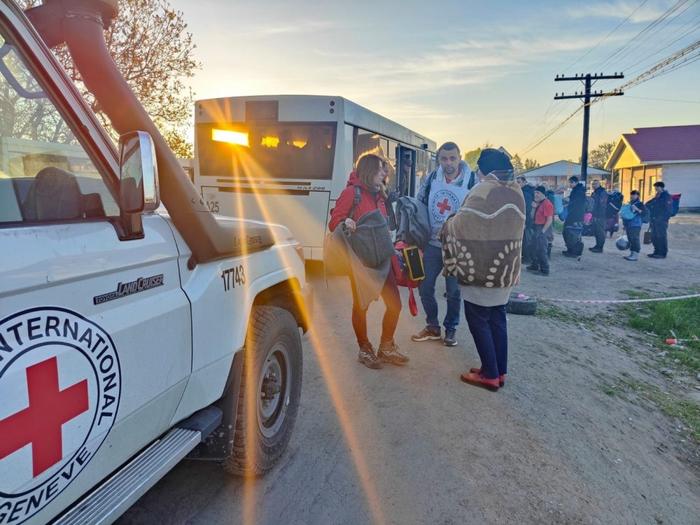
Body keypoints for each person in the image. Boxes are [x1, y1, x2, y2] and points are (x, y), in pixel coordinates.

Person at [440, 148, 525, 391]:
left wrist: (448, 223)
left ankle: (489, 374)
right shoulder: (516, 190)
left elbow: (460, 225)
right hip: (506, 267)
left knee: (478, 319)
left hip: (482, 268)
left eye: (479, 168)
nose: (477, 173)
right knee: (498, 319)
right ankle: (498, 370)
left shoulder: (484, 190)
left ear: (485, 170)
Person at [328, 153, 409, 369]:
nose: (385, 172)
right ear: (369, 170)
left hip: (384, 258)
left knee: (395, 305)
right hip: (362, 261)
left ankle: (386, 347)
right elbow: (334, 220)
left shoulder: (380, 195)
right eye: (381, 169)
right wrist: (345, 221)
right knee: (361, 306)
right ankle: (364, 349)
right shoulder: (351, 193)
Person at [412, 142, 472, 347]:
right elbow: (419, 204)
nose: (448, 163)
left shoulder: (472, 181)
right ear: (439, 159)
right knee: (425, 286)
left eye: (452, 158)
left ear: (459, 157)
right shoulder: (431, 179)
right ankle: (432, 326)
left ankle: (451, 329)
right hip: (432, 244)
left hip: (457, 247)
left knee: (454, 292)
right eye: (444, 159)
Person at [527, 185, 554, 276]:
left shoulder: (547, 203)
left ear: (543, 194)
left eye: (538, 193)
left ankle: (545, 270)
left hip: (543, 228)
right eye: (535, 193)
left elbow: (549, 220)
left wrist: (543, 231)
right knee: (533, 247)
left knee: (541, 250)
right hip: (537, 227)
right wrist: (534, 208)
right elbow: (531, 217)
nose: (536, 194)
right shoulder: (538, 203)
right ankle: (535, 265)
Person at [646, 181, 673, 259]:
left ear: (661, 187)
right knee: (654, 237)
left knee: (661, 236)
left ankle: (662, 253)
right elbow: (649, 203)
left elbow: (669, 211)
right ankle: (656, 251)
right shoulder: (657, 196)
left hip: (661, 221)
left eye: (657, 187)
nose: (655, 189)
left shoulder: (666, 197)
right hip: (654, 220)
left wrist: (662, 219)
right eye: (655, 188)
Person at [562, 176, 586, 258]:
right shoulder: (577, 190)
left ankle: (573, 252)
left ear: (575, 182)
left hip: (576, 216)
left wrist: (568, 201)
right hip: (573, 215)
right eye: (570, 183)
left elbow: (576, 203)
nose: (570, 184)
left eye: (571, 183)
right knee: (568, 232)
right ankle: (570, 250)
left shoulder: (579, 191)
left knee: (572, 234)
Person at [621, 190, 645, 261]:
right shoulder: (629, 203)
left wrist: (637, 209)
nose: (632, 196)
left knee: (635, 238)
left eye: (634, 195)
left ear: (638, 196)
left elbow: (644, 213)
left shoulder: (640, 204)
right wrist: (624, 225)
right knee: (630, 238)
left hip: (636, 224)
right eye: (632, 194)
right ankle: (632, 253)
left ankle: (635, 255)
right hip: (629, 224)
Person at [516, 176, 535, 264]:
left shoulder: (526, 193)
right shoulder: (524, 191)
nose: (517, 184)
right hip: (524, 219)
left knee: (526, 240)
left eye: (519, 182)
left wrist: (524, 221)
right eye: (517, 182)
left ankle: (527, 258)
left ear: (524, 182)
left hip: (526, 220)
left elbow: (526, 208)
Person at [589, 179, 608, 253]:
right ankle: (597, 246)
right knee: (597, 231)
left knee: (600, 232)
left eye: (595, 184)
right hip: (595, 215)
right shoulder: (595, 192)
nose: (594, 185)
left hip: (601, 215)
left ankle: (600, 248)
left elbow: (602, 205)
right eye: (593, 184)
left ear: (599, 184)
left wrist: (598, 215)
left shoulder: (602, 192)